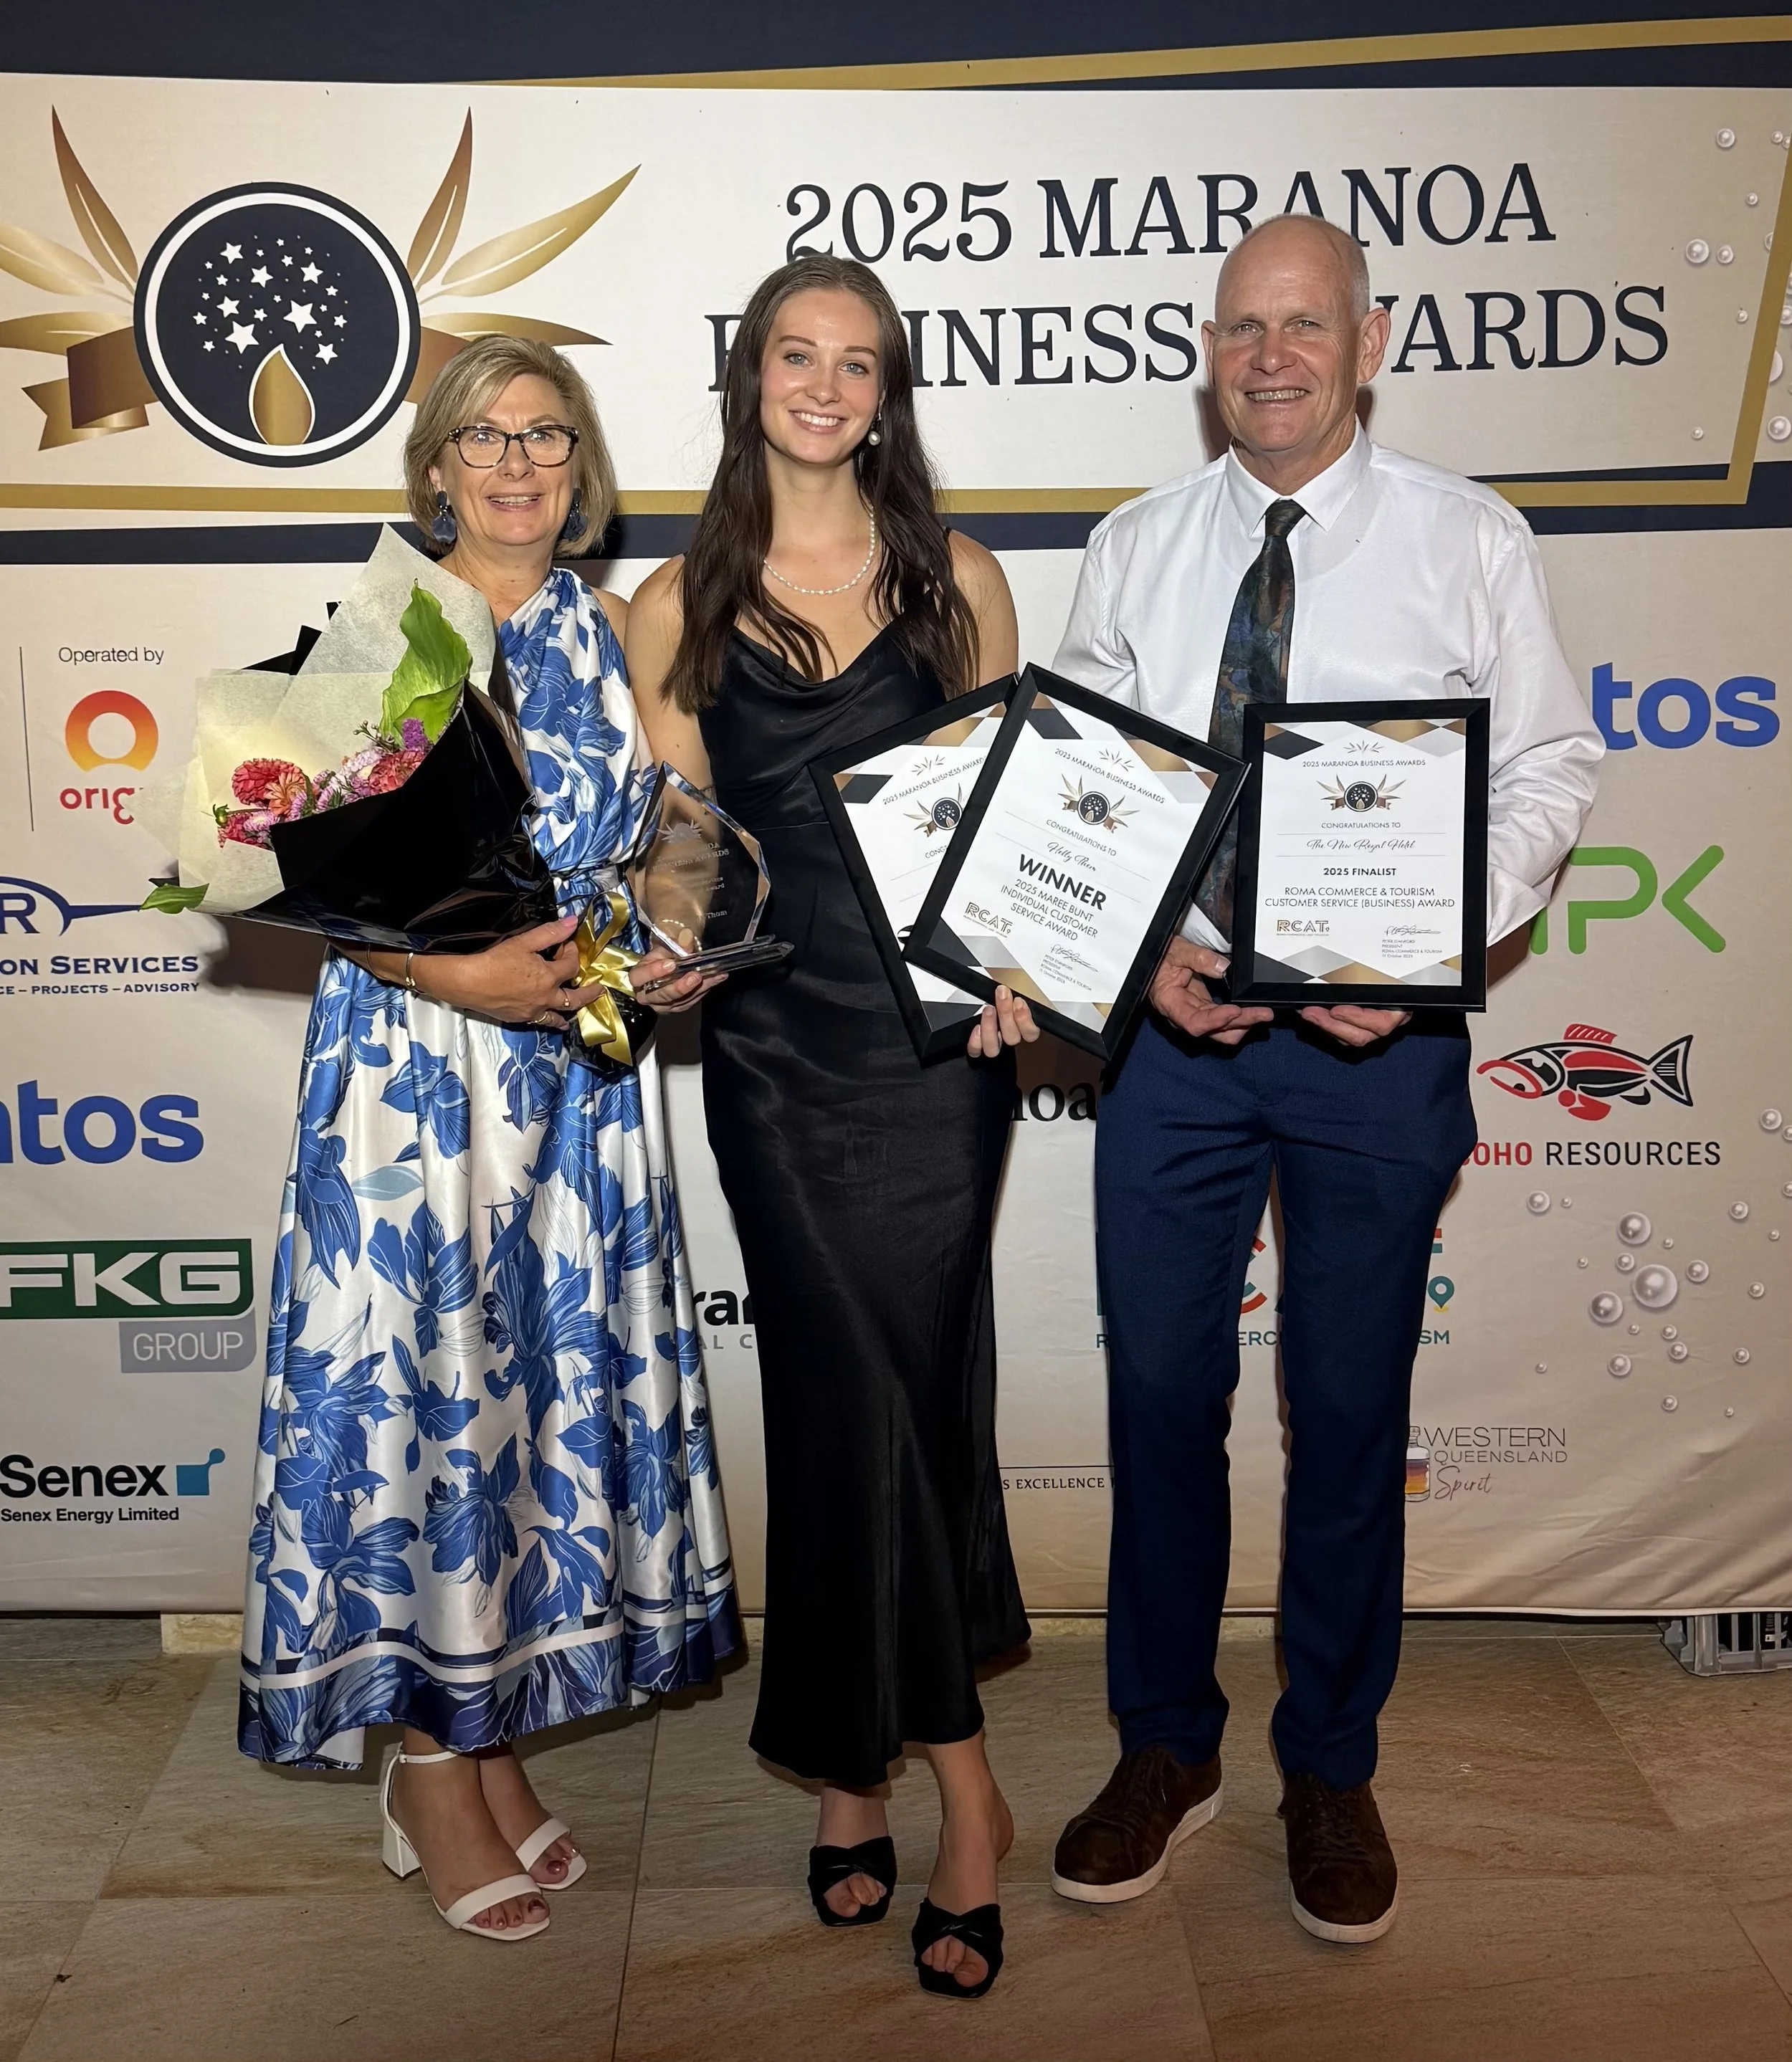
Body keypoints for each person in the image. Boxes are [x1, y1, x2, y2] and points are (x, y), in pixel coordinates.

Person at [1048, 215, 1602, 1944]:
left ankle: (1330, 1760)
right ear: (1204, 350)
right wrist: (1138, 952)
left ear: (1367, 340)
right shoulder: (1134, 545)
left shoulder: (1464, 538)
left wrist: (1426, 937)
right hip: (1172, 1046)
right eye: (1236, 329)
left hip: (1377, 1053)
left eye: (1301, 326)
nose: (1266, 357)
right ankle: (1164, 1744)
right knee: (1155, 1402)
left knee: (1349, 1412)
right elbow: (1080, 787)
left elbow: (1551, 767)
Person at [239, 335, 740, 1942]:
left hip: (576, 1087)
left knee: (526, 1412)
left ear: (579, 465)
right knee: (428, 1413)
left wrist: (678, 940)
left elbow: (682, 835)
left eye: (545, 436)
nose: (517, 465)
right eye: (484, 439)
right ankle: (431, 1769)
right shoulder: (387, 627)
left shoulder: (619, 629)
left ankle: (489, 1735)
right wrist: (444, 968)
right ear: (436, 468)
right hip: (413, 1082)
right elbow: (286, 873)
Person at [626, 254, 1036, 1999]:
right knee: (834, 1396)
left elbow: (1013, 829)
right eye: (795, 355)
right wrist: (658, 943)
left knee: (922, 1395)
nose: (823, 384)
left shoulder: (960, 578)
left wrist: (1028, 966)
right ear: (750, 377)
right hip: (780, 1063)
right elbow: (681, 845)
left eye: (855, 362)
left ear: (889, 391)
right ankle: (934, 1779)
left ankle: (877, 1779)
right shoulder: (671, 601)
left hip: (939, 1058)